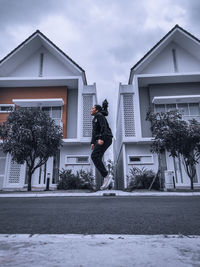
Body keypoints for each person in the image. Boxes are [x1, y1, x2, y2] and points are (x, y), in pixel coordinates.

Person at [90, 99, 113, 190]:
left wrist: (101, 139)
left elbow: (103, 127)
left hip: (105, 137)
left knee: (94, 156)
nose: (91, 110)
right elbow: (94, 132)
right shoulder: (95, 118)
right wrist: (92, 142)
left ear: (96, 110)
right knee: (96, 157)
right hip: (101, 138)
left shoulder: (99, 115)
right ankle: (106, 176)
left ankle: (106, 176)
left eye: (92, 108)